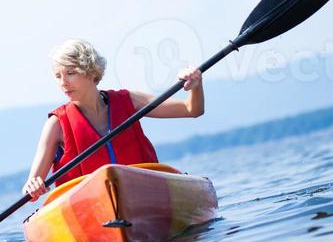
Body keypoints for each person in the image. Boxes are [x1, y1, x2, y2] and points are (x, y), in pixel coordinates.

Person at [23, 38, 204, 201]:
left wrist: (196, 85)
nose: (63, 82)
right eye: (58, 76)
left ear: (91, 72)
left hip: (143, 194)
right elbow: (30, 190)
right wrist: (33, 187)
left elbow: (192, 109)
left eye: (70, 73)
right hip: (86, 206)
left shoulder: (129, 101)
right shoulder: (56, 125)